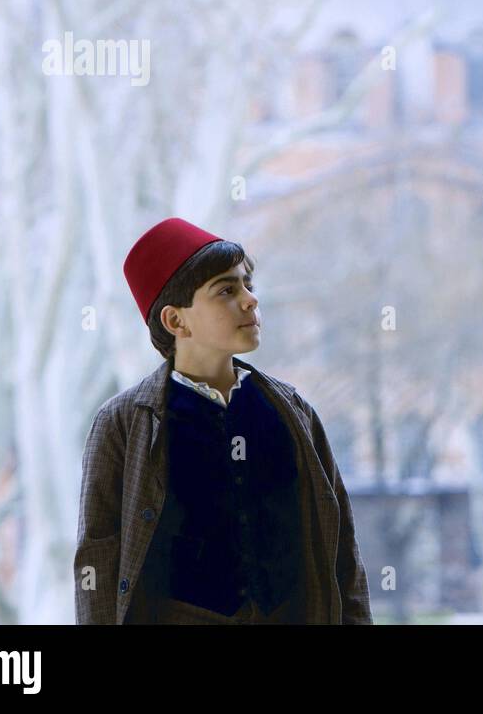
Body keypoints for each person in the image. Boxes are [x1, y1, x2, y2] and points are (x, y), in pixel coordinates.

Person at [74, 217, 371, 624]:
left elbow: (343, 556)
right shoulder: (122, 425)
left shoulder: (295, 412)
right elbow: (98, 561)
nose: (249, 300)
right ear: (176, 321)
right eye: (227, 290)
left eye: (248, 285)